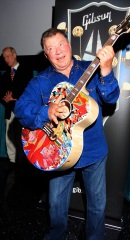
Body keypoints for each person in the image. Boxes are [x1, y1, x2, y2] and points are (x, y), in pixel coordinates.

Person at [14, 28, 120, 240]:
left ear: (70, 45)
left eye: (61, 44)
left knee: (97, 205)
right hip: (58, 151)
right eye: (51, 48)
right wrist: (47, 111)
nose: (58, 51)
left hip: (93, 150)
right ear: (46, 55)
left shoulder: (91, 67)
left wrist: (106, 69)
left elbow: (110, 98)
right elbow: (21, 109)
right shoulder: (40, 81)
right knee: (55, 205)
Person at [0, 47, 33, 202]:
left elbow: (28, 90)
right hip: (9, 110)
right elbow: (2, 92)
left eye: (8, 56)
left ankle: (23, 165)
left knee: (22, 139)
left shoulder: (26, 70)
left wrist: (15, 98)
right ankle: (13, 163)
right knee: (9, 138)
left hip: (22, 109)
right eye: (4, 57)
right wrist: (5, 99)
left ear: (14, 55)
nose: (6, 59)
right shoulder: (6, 74)